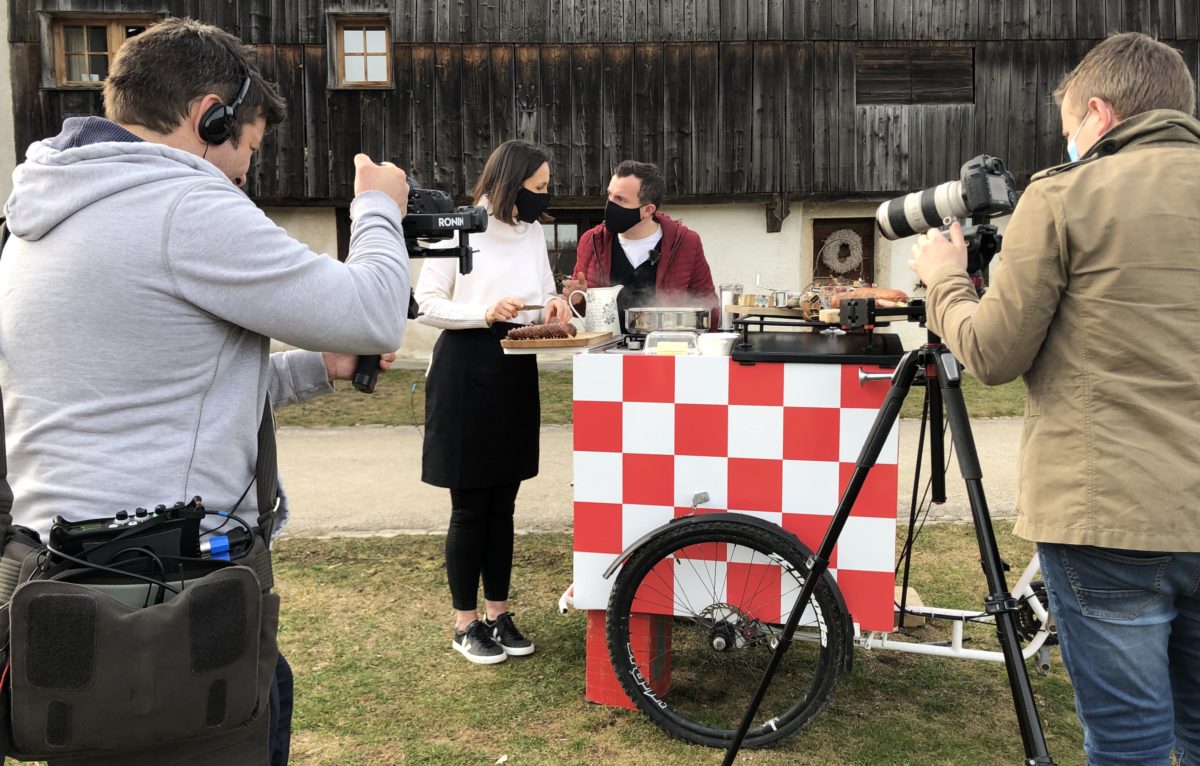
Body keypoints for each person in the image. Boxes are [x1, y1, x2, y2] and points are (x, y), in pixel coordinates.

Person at [0, 17, 410, 765]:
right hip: (171, 598)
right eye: (247, 149)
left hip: (69, 588)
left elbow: (157, 393)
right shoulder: (182, 205)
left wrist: (319, 368)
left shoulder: (43, 212)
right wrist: (380, 206)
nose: (246, 175)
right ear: (207, 115)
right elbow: (374, 311)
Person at [909, 32, 1200, 766]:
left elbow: (993, 353)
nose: (1066, 141)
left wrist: (944, 278)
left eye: (1069, 126)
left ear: (1098, 114)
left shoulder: (1065, 195)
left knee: (1129, 740)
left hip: (1108, 513)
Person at [415, 139, 572, 665]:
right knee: (470, 506)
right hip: (465, 367)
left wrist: (554, 305)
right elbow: (427, 304)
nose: (544, 198)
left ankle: (499, 614)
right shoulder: (458, 226)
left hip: (514, 367)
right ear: (510, 183)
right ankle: (465, 624)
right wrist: (485, 311)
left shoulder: (531, 234)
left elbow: (546, 292)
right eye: (539, 188)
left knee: (504, 504)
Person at [565, 160, 718, 332]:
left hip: (665, 347)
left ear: (648, 210)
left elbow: (708, 306)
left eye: (620, 199)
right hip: (606, 350)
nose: (610, 204)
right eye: (610, 195)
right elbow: (583, 310)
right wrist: (577, 298)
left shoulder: (686, 243)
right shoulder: (592, 241)